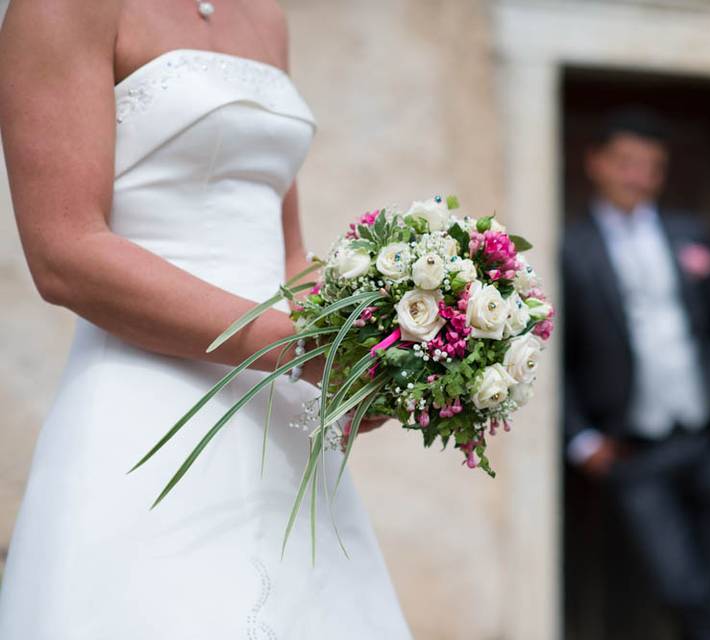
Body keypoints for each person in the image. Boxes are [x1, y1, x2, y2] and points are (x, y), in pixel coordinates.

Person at [0, 1, 411, 637]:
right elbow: (65, 251)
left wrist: (365, 348)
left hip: (281, 411)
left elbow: (288, 253)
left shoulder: (266, 14)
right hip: (145, 405)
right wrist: (300, 350)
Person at [561, 110, 710, 639]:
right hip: (634, 448)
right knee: (678, 585)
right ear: (596, 163)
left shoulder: (690, 233)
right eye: (626, 163)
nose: (638, 177)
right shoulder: (571, 249)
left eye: (652, 167)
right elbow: (560, 355)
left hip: (709, 437)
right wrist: (581, 438)